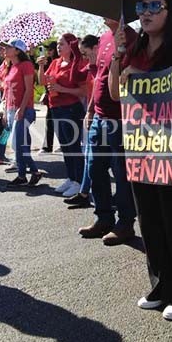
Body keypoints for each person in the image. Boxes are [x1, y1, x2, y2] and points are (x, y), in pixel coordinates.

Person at [109, 0, 172, 321]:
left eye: (154, 5)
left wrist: (145, 77)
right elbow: (116, 95)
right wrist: (119, 58)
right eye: (141, 5)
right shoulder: (134, 46)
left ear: (170, 10)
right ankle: (160, 285)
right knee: (148, 220)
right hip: (140, 147)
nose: (145, 12)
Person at [75, 21, 138, 245]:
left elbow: (134, 77)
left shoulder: (132, 38)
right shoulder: (103, 38)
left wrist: (121, 51)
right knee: (94, 168)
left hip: (121, 119)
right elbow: (99, 78)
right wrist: (91, 109)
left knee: (121, 175)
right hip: (99, 117)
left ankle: (125, 224)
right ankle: (103, 218)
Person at [38, 34, 88, 198]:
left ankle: (79, 181)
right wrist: (40, 67)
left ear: (71, 45)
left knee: (74, 147)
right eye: (58, 44)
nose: (58, 47)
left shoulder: (77, 64)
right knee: (66, 147)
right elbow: (42, 82)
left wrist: (62, 89)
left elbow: (84, 91)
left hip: (71, 108)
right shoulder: (55, 62)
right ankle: (71, 177)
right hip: (56, 108)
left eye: (62, 44)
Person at [65, 34, 102, 209]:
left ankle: (87, 193)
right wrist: (76, 54)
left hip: (99, 113)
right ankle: (84, 193)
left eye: (85, 53)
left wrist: (90, 111)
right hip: (91, 112)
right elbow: (75, 78)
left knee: (98, 158)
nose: (84, 58)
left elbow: (97, 91)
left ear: (96, 48)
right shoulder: (91, 65)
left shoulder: (103, 65)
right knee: (89, 155)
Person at [1, 38, 44, 187]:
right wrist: (6, 112)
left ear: (17, 50)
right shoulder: (11, 67)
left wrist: (22, 108)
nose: (5, 49)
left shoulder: (26, 65)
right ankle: (30, 173)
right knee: (21, 145)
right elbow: (7, 92)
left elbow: (28, 90)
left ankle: (26, 174)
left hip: (24, 110)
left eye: (8, 47)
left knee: (19, 144)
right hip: (11, 110)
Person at [40, 42, 59, 153]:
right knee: (50, 122)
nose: (48, 52)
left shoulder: (59, 62)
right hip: (50, 96)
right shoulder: (48, 62)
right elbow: (41, 76)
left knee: (58, 122)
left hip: (59, 96)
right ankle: (47, 146)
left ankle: (61, 144)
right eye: (48, 50)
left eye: (51, 49)